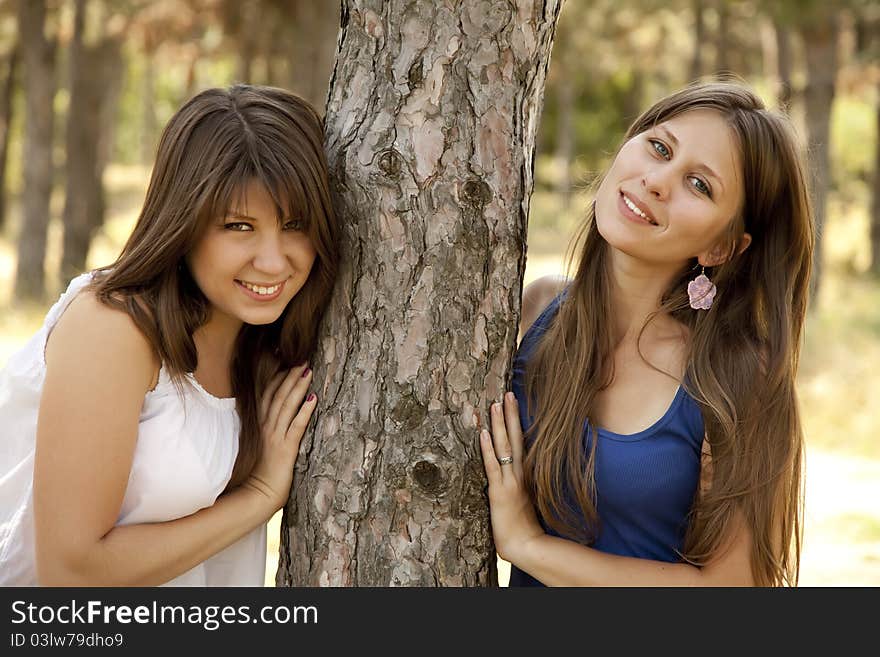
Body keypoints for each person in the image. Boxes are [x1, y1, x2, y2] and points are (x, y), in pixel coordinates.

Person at [0, 84, 339, 586]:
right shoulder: (113, 329)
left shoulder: (272, 346)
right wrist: (260, 496)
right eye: (239, 226)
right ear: (185, 223)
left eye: (294, 224)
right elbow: (69, 575)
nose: (273, 260)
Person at [479, 81, 813, 586]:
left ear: (722, 247)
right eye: (659, 147)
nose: (657, 181)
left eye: (699, 185)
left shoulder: (737, 377)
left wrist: (527, 546)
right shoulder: (534, 314)